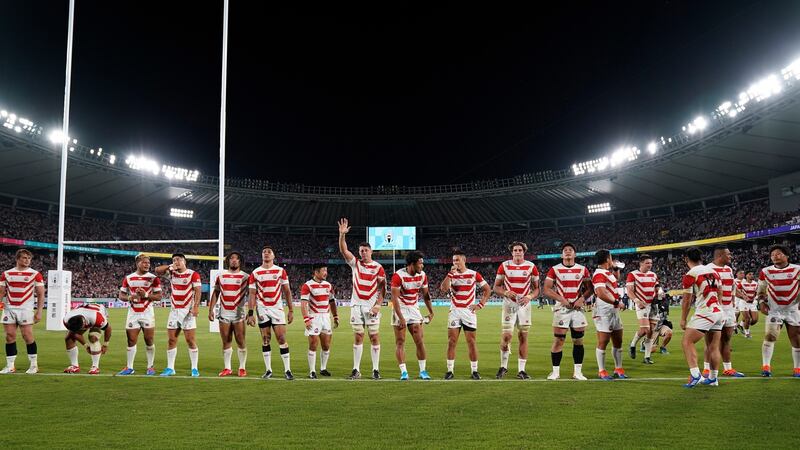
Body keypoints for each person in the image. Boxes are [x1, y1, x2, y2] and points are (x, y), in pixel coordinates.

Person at [338, 218, 387, 380]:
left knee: (374, 336)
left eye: (366, 250)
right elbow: (344, 251)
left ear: (371, 251)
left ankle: (376, 370)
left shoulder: (378, 267)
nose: (363, 252)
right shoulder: (355, 264)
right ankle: (356, 369)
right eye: (361, 250)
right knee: (358, 336)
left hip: (371, 307)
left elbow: (383, 288)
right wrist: (342, 235)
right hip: (356, 306)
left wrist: (378, 305)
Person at [440, 249, 491, 380]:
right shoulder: (451, 275)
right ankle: (450, 370)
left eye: (457, 260)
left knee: (471, 342)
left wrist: (480, 305)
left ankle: (474, 371)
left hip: (469, 312)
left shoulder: (474, 274)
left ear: (464, 260)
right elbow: (443, 288)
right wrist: (450, 274)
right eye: (453, 260)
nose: (455, 262)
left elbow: (487, 289)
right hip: (455, 312)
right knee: (451, 342)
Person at [543, 242, 590, 381]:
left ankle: (577, 372)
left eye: (570, 250)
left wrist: (582, 299)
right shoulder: (554, 269)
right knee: (559, 340)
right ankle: (555, 372)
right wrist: (561, 299)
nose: (568, 251)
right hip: (561, 308)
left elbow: (590, 288)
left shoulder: (582, 269)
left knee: (578, 340)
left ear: (574, 254)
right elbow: (546, 289)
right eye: (565, 250)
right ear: (562, 254)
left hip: (577, 309)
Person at [494, 241, 540, 380]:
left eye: (520, 250)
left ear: (524, 252)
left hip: (524, 306)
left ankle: (521, 370)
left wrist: (529, 296)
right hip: (509, 305)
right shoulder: (504, 266)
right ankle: (503, 366)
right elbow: (496, 287)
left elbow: (537, 288)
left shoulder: (531, 267)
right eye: (515, 250)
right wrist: (506, 292)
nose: (518, 252)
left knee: (523, 337)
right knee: (507, 337)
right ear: (512, 252)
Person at [247, 245, 295, 380]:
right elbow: (251, 294)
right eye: (264, 252)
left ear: (273, 256)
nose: (266, 253)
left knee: (281, 338)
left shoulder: (280, 271)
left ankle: (287, 370)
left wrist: (291, 310)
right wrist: (250, 313)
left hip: (277, 308)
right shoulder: (255, 273)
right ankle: (268, 370)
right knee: (265, 339)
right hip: (262, 308)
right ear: (261, 256)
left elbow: (287, 291)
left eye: (269, 252)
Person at [680, 246, 723, 388]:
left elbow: (687, 299)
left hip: (705, 312)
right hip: (718, 312)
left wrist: (683, 318)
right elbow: (720, 292)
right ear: (701, 258)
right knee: (713, 346)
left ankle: (695, 375)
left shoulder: (690, 274)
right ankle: (713, 379)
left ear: (686, 259)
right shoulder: (714, 272)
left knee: (687, 341)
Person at [756, 244, 800, 378]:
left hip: (793, 309)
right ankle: (766, 367)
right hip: (774, 309)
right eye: (772, 255)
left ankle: (797, 369)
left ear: (787, 256)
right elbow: (761, 290)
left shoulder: (797, 269)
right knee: (770, 336)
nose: (775, 256)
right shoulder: (765, 271)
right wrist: (762, 302)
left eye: (778, 253)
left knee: (797, 339)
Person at [155, 254, 202, 377]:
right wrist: (170, 267)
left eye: (179, 260)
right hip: (175, 311)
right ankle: (170, 368)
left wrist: (196, 306)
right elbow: (157, 271)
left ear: (184, 261)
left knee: (190, 340)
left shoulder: (193, 274)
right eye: (174, 260)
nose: (176, 262)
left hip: (188, 312)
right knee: (171, 340)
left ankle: (194, 368)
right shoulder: (171, 273)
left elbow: (198, 291)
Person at [0, 249, 45, 374]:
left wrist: (39, 311)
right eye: (24, 258)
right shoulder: (6, 274)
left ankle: (34, 365)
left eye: (29, 258)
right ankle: (10, 366)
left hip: (25, 309)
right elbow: (1, 292)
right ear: (18, 259)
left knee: (27, 336)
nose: (27, 260)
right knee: (9, 336)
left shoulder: (35, 274)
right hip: (9, 308)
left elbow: (41, 294)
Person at [117, 254, 163, 376]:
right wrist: (129, 297)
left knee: (149, 340)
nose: (147, 264)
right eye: (144, 262)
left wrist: (146, 295)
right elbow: (121, 295)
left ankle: (150, 367)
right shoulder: (129, 278)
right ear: (137, 263)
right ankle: (130, 367)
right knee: (131, 340)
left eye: (148, 262)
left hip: (147, 313)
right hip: (133, 313)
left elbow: (159, 296)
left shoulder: (153, 278)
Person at [391, 251, 434, 380]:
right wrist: (401, 317)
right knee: (400, 341)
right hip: (400, 308)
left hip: (414, 308)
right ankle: (404, 372)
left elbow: (426, 295)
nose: (422, 266)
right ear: (412, 264)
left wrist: (431, 311)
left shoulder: (422, 275)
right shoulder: (398, 276)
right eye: (420, 263)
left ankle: (423, 371)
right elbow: (394, 298)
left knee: (419, 341)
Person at [704, 246, 744, 377]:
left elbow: (732, 287)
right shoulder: (708, 269)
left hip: (729, 309)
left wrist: (740, 297)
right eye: (728, 254)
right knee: (711, 341)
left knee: (727, 338)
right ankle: (707, 370)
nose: (731, 256)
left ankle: (728, 368)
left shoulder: (729, 269)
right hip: (714, 309)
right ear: (720, 255)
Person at [209, 252, 249, 377]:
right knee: (226, 341)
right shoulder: (221, 276)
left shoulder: (246, 277)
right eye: (231, 258)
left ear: (240, 261)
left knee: (240, 340)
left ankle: (242, 368)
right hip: (224, 313)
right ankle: (227, 368)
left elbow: (253, 294)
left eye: (237, 258)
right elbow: (216, 293)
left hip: (239, 313)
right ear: (228, 261)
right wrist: (211, 309)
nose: (234, 260)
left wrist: (252, 311)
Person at [592, 251, 627, 380]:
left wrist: (616, 268)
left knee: (618, 340)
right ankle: (601, 371)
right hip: (603, 311)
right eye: (611, 258)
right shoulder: (598, 274)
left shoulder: (607, 273)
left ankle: (618, 368)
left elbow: (616, 280)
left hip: (613, 310)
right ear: (608, 259)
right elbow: (601, 293)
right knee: (604, 341)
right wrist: (616, 301)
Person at [300, 263, 339, 379]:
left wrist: (335, 316)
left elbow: (332, 302)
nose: (325, 273)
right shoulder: (307, 286)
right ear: (316, 272)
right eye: (323, 271)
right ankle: (312, 371)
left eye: (326, 270)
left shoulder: (328, 285)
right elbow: (303, 304)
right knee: (313, 344)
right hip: (314, 317)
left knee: (326, 345)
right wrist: (306, 319)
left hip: (326, 317)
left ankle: (323, 368)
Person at [626, 254, 659, 365]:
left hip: (653, 305)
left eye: (651, 263)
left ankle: (647, 357)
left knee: (651, 332)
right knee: (645, 330)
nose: (650, 265)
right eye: (647, 263)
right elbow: (629, 291)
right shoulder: (632, 274)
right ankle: (633, 343)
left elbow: (657, 288)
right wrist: (637, 301)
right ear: (641, 263)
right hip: (642, 304)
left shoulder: (653, 275)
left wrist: (661, 294)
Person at [63, 303, 112, 375]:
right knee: (68, 338)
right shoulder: (67, 320)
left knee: (93, 337)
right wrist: (86, 346)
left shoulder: (96, 318)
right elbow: (75, 334)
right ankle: (75, 366)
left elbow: (108, 329)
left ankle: (95, 367)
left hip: (98, 310)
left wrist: (105, 344)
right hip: (82, 311)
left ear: (84, 323)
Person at [736, 271, 759, 339]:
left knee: (755, 320)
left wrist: (755, 298)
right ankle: (747, 333)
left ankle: (741, 325)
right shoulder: (742, 283)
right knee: (747, 318)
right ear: (746, 276)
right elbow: (736, 292)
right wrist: (743, 297)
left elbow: (756, 293)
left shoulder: (756, 283)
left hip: (752, 303)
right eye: (750, 274)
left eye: (752, 274)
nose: (752, 275)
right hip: (743, 303)